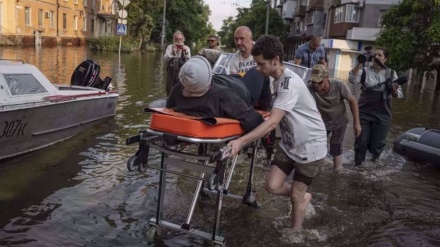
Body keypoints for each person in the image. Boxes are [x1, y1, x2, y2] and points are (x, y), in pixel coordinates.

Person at [228, 35, 327, 230]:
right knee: (272, 186)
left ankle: (295, 234)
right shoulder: (275, 78)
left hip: (310, 146)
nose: (257, 68)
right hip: (290, 143)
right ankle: (302, 195)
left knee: (296, 197)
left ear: (275, 60)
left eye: (260, 64)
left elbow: (273, 122)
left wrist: (241, 142)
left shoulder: (288, 84)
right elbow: (274, 115)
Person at [166, 56, 264, 133]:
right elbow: (254, 121)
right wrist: (266, 125)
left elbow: (168, 107)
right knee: (259, 71)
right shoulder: (222, 96)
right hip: (242, 88)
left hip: (227, 80)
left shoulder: (177, 90)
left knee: (236, 75)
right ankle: (266, 106)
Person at [349, 48, 403, 166]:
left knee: (377, 144)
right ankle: (358, 165)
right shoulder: (364, 71)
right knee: (361, 141)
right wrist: (359, 63)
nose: (376, 57)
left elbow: (399, 94)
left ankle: (374, 163)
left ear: (386, 59)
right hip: (364, 112)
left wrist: (393, 91)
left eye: (380, 55)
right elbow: (352, 79)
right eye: (375, 55)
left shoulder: (392, 73)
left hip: (383, 113)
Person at [308, 64, 362, 170]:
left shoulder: (338, 85)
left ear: (326, 78)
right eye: (314, 82)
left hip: (339, 121)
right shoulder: (310, 88)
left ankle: (337, 171)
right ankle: (318, 169)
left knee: (336, 145)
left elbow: (352, 101)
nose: (316, 85)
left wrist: (357, 123)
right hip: (322, 122)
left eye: (319, 82)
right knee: (317, 145)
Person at [164, 31, 191, 96]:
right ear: (174, 40)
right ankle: (169, 100)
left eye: (180, 39)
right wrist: (172, 53)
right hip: (171, 72)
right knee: (170, 87)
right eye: (176, 39)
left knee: (181, 87)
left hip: (182, 72)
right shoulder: (170, 47)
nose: (178, 41)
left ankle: (181, 100)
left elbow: (189, 62)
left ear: (183, 40)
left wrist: (186, 53)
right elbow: (165, 59)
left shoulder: (187, 48)